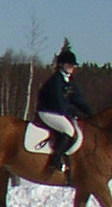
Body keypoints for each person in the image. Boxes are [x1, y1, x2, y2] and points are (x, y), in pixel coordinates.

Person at [36, 41, 93, 177]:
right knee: (68, 130)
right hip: (48, 112)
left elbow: (78, 99)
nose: (72, 67)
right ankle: (55, 160)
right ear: (61, 65)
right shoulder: (56, 81)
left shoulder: (69, 81)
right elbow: (59, 103)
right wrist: (74, 113)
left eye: (73, 65)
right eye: (69, 64)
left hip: (59, 112)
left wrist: (90, 113)